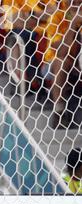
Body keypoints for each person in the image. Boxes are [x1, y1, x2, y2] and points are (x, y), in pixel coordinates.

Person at [43, 0, 82, 128]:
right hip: (53, 64)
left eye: (80, 3)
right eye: (73, 3)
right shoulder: (57, 17)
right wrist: (72, 25)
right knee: (61, 61)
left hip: (78, 63)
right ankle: (59, 111)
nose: (77, 6)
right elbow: (60, 52)